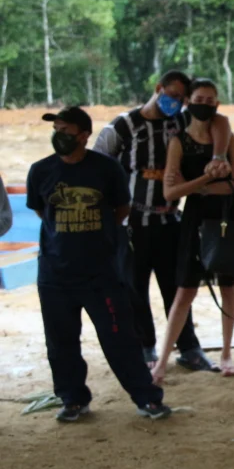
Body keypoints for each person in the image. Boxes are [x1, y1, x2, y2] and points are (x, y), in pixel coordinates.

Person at [26, 106, 172, 422]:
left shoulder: (106, 170)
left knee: (120, 339)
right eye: (56, 130)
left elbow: (121, 210)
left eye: (66, 131)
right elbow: (43, 213)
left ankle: (147, 399)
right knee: (61, 343)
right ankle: (73, 399)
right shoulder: (40, 171)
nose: (59, 136)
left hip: (101, 274)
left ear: (84, 135)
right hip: (55, 275)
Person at [94, 69, 230, 371]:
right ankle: (144, 347)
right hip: (131, 226)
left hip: (170, 223)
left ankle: (189, 348)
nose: (177, 103)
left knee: (178, 285)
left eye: (183, 99)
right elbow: (98, 169)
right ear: (158, 88)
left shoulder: (181, 121)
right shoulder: (123, 126)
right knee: (133, 289)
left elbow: (219, 121)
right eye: (173, 96)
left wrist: (219, 155)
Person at [152, 79, 234, 384]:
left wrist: (193, 185)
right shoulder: (179, 140)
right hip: (195, 221)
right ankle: (162, 361)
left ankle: (227, 354)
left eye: (210, 100)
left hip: (225, 216)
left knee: (228, 287)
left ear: (216, 104)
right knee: (185, 291)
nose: (204, 104)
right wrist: (204, 183)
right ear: (189, 102)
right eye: (199, 99)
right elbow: (170, 193)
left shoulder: (225, 134)